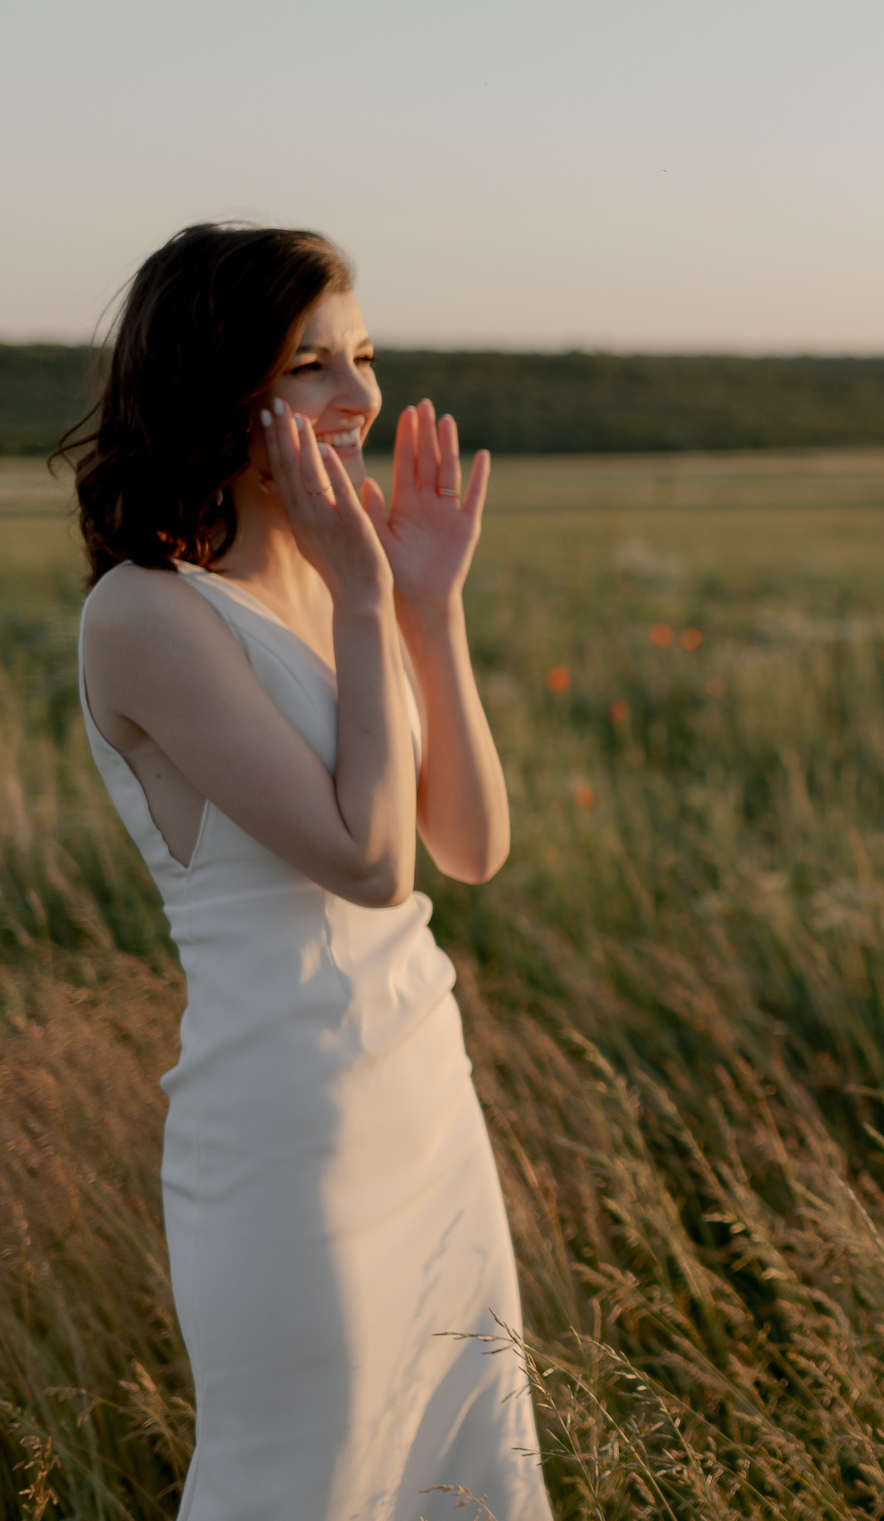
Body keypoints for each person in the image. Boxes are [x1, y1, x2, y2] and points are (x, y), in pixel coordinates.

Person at [61, 224, 551, 1519]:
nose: (360, 398)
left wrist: (424, 607)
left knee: (462, 1464)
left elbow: (469, 848)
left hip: (424, 1103)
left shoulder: (345, 577)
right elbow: (368, 862)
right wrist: (356, 590)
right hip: (290, 1138)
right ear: (222, 387)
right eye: (312, 366)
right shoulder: (146, 615)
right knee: (309, 1480)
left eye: (364, 357)